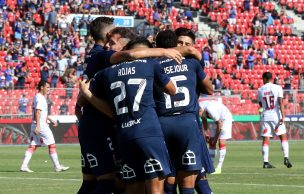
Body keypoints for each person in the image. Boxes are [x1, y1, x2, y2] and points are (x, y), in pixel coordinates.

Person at [79, 37, 177, 194]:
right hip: (148, 133)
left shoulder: (106, 73)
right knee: (156, 189)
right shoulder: (151, 64)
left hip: (124, 135)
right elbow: (173, 90)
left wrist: (88, 95)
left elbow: (84, 102)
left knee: (132, 186)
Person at [154, 30, 214, 194]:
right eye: (179, 43)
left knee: (197, 178)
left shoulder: (153, 65)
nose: (182, 47)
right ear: (173, 44)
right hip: (187, 124)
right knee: (186, 178)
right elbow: (210, 89)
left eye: (187, 44)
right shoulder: (192, 64)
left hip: (167, 123)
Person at [20, 80, 69, 172]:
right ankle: (57, 166)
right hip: (41, 125)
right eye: (47, 87)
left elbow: (41, 112)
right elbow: (38, 112)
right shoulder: (40, 98)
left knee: (33, 146)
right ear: (42, 87)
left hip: (35, 124)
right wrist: (38, 126)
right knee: (52, 144)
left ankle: (24, 166)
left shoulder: (37, 97)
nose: (48, 89)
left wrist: (50, 119)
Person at [258, 72, 292, 168]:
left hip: (265, 115)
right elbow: (280, 103)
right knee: (283, 137)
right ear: (271, 78)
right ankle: (286, 157)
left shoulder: (260, 90)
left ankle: (265, 162)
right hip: (276, 115)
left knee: (266, 138)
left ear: (264, 79)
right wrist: (283, 116)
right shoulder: (277, 88)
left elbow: (260, 104)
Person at [200, 100, 233, 174]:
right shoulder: (198, 108)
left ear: (201, 110)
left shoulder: (210, 110)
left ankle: (219, 168)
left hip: (225, 119)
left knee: (221, 142)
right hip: (217, 120)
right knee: (211, 143)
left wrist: (215, 138)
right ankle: (210, 166)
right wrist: (206, 133)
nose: (199, 115)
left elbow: (219, 124)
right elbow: (204, 119)